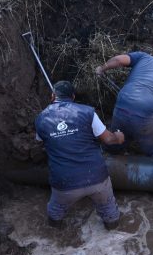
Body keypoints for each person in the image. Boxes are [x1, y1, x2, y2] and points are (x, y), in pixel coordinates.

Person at [34, 81, 125, 230]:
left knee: (55, 212)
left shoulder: (40, 119)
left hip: (64, 182)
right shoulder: (87, 112)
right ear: (73, 97)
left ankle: (54, 234)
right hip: (96, 177)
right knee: (108, 209)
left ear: (52, 96)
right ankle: (113, 229)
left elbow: (40, 142)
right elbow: (109, 139)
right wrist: (119, 136)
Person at [95, 52, 153, 157]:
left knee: (114, 144)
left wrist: (102, 69)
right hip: (146, 111)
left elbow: (119, 60)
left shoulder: (144, 57)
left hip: (122, 104)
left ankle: (106, 157)